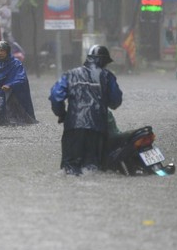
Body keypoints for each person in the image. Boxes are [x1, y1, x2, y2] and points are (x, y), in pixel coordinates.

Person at [48, 45, 123, 175]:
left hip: (73, 127)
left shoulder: (70, 74)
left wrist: (61, 114)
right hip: (98, 128)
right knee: (92, 168)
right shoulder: (107, 76)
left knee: (69, 169)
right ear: (104, 61)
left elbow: (55, 96)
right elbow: (115, 101)